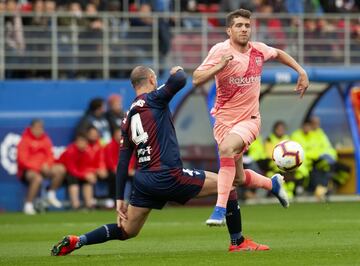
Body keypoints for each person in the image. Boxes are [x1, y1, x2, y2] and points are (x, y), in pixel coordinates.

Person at [51, 66, 272, 256]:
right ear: (152, 80)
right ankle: (238, 242)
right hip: (168, 175)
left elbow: (122, 162)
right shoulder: (154, 98)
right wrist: (176, 70)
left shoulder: (127, 117)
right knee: (229, 181)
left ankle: (78, 240)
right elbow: (180, 79)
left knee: (127, 231)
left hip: (144, 181)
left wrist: (119, 198)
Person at [192, 9, 309, 225]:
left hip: (250, 120)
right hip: (223, 122)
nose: (244, 29)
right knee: (237, 178)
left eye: (247, 25)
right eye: (239, 25)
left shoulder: (259, 50)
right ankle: (272, 184)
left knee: (226, 149)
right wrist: (219, 66)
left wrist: (301, 71)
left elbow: (279, 54)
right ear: (229, 30)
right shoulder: (220, 51)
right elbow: (196, 78)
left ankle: (219, 210)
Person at [17, 119, 64, 215]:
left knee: (60, 169)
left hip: (44, 168)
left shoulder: (46, 139)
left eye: (41, 128)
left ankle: (50, 194)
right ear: (31, 128)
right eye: (37, 127)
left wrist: (47, 165)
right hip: (29, 170)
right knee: (37, 178)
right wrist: (39, 167)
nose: (40, 130)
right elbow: (22, 161)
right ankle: (28, 205)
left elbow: (50, 155)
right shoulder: (24, 140)